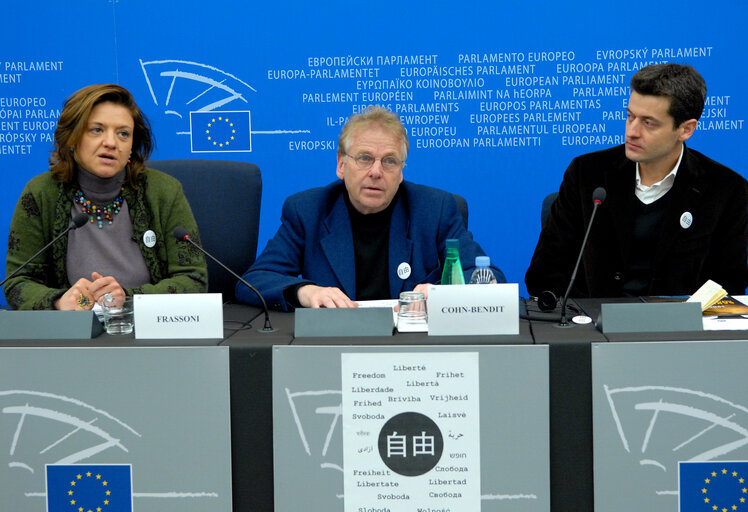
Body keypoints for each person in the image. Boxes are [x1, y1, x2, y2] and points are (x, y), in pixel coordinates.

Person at [237, 105, 504, 310]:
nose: (376, 172)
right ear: (341, 164)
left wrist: (443, 292)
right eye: (365, 158)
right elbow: (255, 281)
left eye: (389, 161)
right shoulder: (307, 211)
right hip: (334, 346)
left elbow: (490, 277)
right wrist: (305, 292)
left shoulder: (435, 210)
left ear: (400, 172)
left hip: (416, 348)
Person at [526, 64, 748, 299]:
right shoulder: (587, 174)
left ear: (686, 129)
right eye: (630, 116)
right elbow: (545, 274)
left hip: (678, 330)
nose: (632, 131)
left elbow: (727, 287)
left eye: (648, 123)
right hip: (592, 325)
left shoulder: (726, 190)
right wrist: (587, 318)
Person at [4, 84, 208, 310]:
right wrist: (60, 301)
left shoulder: (164, 192)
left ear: (132, 146)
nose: (111, 142)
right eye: (97, 130)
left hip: (149, 331)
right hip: (72, 334)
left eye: (123, 133)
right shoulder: (41, 193)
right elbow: (17, 283)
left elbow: (194, 279)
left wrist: (128, 298)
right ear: (73, 138)